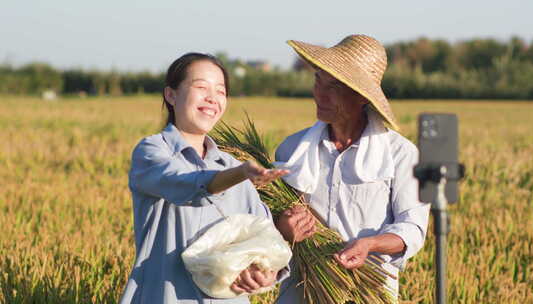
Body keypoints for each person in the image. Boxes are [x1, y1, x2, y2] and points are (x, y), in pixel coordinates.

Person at [120, 52, 289, 304]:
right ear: (171, 95)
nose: (212, 98)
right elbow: (185, 184)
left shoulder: (232, 166)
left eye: (220, 91)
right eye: (201, 87)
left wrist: (265, 272)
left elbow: (265, 237)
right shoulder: (152, 152)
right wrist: (239, 174)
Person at [274, 35, 431, 303]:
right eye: (317, 80)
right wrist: (282, 225)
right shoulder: (292, 150)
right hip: (302, 291)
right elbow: (270, 222)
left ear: (361, 96)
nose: (319, 94)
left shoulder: (400, 155)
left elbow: (413, 228)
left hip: (368, 291)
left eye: (333, 86)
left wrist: (370, 244)